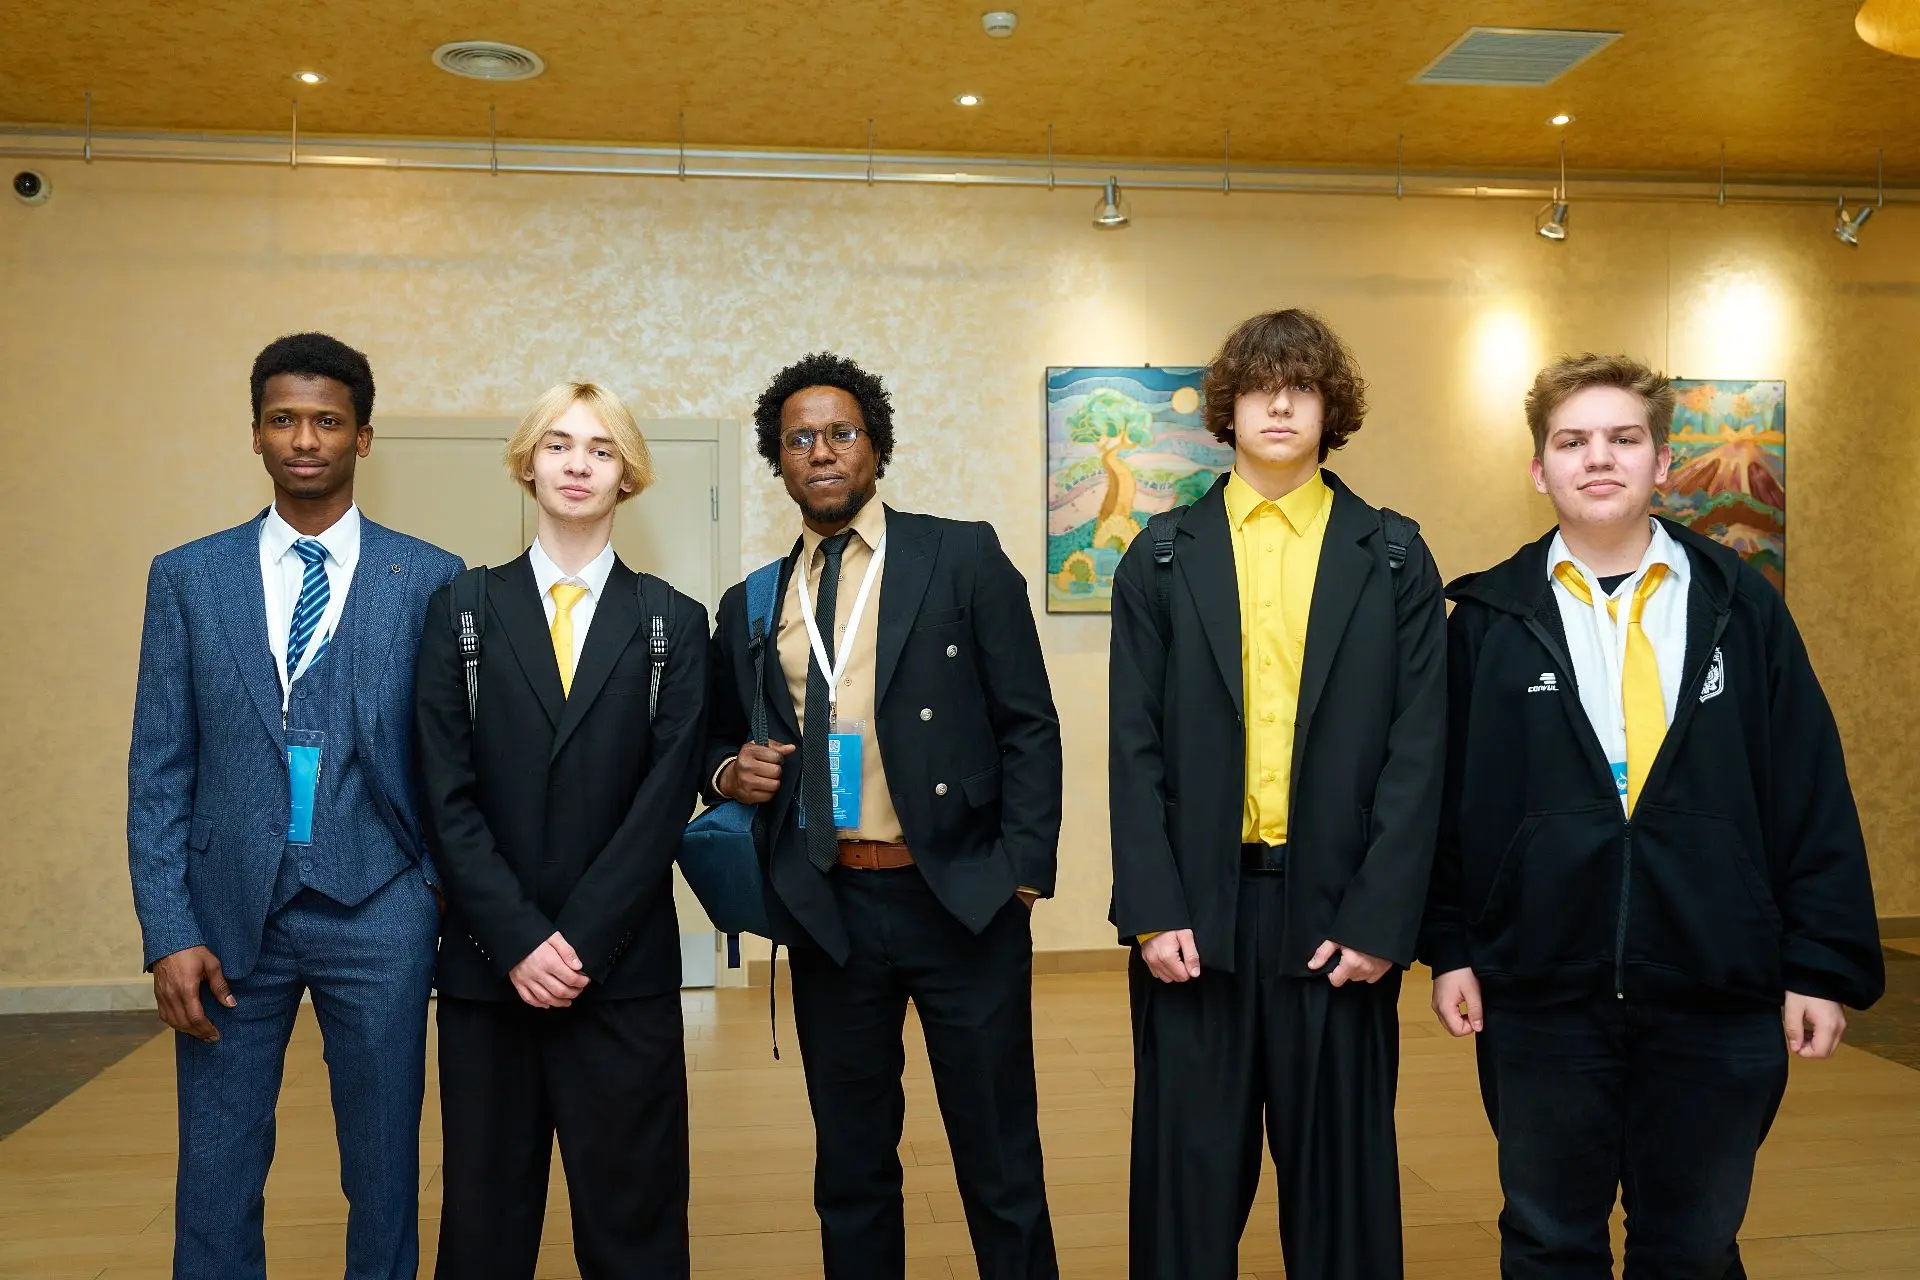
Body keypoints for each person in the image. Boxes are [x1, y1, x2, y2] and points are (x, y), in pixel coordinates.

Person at [1421, 353, 1884, 1277]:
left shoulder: (1741, 606)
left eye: (1623, 438)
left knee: (1694, 1247)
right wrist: (1452, 948)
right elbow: (1447, 803)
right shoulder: (1485, 619)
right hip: (1541, 989)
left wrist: (1819, 965)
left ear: (1662, 461)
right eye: (1573, 441)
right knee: (1549, 1241)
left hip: (1717, 987)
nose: (1599, 458)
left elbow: (1808, 790)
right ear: (1539, 469)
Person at [704, 352, 1063, 1279]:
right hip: (829, 910)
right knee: (852, 1164)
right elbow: (712, 739)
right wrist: (729, 771)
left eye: (841, 433)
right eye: (799, 439)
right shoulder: (752, 601)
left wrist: (1022, 875)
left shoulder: (961, 555)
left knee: (999, 1159)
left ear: (876, 446)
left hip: (962, 900)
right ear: (778, 460)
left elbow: (1028, 722)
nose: (821, 452)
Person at [1109, 309, 1447, 1280]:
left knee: (1343, 1206)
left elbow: (1420, 751)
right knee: (1183, 1201)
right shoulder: (1161, 555)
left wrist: (1382, 920)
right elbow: (1132, 749)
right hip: (1194, 925)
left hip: (1339, 922)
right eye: (1261, 386)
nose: (1281, 404)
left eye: (1301, 386)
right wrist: (1153, 909)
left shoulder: (1393, 556)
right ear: (1229, 407)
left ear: (1331, 408)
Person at [127, 332, 461, 1279]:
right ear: (256, 434)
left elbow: (453, 759)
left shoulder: (430, 577)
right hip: (226, 917)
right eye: (283, 419)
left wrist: (432, 890)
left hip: (381, 908)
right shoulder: (188, 577)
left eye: (327, 420)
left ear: (362, 438)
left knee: (385, 1166)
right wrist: (168, 929)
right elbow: (159, 766)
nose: (304, 439)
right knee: (217, 1166)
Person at [413, 383, 708, 1279]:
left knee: (635, 1227)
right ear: (528, 463)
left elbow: (664, 804)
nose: (579, 464)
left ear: (628, 475)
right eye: (559, 444)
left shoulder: (672, 622)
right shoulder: (461, 610)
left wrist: (575, 942)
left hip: (621, 975)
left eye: (602, 449)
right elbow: (445, 795)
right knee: (483, 1228)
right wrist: (518, 941)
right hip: (487, 973)